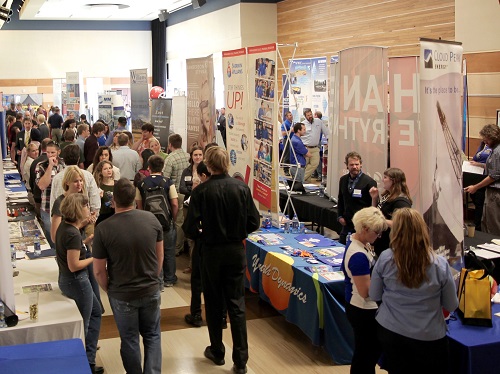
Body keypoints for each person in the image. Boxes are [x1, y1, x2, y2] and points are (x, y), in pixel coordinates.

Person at [183, 146, 260, 374]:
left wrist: (203, 233)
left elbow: (188, 228)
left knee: (214, 303)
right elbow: (254, 222)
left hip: (212, 252)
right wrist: (238, 232)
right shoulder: (242, 188)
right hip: (236, 251)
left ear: (208, 164)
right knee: (237, 305)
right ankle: (241, 361)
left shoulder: (201, 192)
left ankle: (217, 351)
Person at [369, 208, 458, 373]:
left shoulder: (385, 258)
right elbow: (451, 304)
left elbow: (374, 294)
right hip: (429, 335)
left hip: (391, 332)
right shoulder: (439, 264)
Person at [93, 178, 164, 374]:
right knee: (152, 335)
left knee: (130, 338)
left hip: (122, 294)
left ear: (113, 200)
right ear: (134, 198)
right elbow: (160, 256)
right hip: (150, 288)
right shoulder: (152, 220)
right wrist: (153, 278)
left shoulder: (103, 229)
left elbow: (99, 270)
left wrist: (110, 288)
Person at [55, 193, 102, 374]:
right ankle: (86, 362)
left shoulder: (65, 228)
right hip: (77, 281)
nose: (87, 209)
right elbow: (74, 265)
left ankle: (88, 356)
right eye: (85, 206)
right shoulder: (72, 233)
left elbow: (72, 250)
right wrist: (96, 259)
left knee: (96, 313)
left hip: (68, 280)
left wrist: (86, 242)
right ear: (77, 209)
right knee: (86, 322)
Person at [341, 206, 387, 374]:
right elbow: (366, 292)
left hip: (361, 308)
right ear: (365, 229)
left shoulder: (358, 242)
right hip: (362, 310)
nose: (379, 236)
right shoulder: (358, 255)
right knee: (365, 355)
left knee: (366, 355)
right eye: (377, 232)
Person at [137, 155, 179, 287]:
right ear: (162, 167)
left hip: (149, 224)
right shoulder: (168, 182)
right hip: (167, 223)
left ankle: (157, 279)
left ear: (149, 167)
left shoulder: (142, 184)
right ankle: (170, 279)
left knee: (153, 252)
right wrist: (172, 218)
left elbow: (139, 205)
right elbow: (175, 204)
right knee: (169, 251)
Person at [465, 124, 500, 235]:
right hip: (493, 192)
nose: (484, 141)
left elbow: (494, 176)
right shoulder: (495, 150)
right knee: (486, 221)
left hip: (495, 193)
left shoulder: (497, 152)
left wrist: (475, 187)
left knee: (492, 225)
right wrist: (480, 165)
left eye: (486, 139)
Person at [369, 168, 412, 256]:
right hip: (381, 243)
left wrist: (381, 220)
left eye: (385, 177)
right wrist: (374, 199)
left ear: (393, 181)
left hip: (391, 245)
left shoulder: (401, 201)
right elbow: (375, 213)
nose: (382, 180)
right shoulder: (387, 196)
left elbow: (401, 224)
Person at [337, 152, 377, 245]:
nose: (354, 167)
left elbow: (373, 205)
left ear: (361, 164)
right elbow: (340, 199)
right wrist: (339, 216)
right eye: (351, 165)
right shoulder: (343, 180)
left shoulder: (369, 182)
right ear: (347, 165)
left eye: (357, 164)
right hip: (346, 224)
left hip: (361, 226)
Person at [162, 134, 189, 256]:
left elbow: (165, 179)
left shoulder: (170, 158)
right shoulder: (188, 156)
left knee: (178, 221)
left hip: (176, 194)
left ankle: (177, 248)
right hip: (188, 194)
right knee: (185, 220)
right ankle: (184, 245)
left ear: (170, 145)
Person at [36, 141, 66, 249]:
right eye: (48, 152)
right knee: (52, 240)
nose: (50, 155)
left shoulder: (65, 165)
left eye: (52, 152)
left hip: (64, 208)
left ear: (58, 152)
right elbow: (42, 185)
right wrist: (50, 166)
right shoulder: (41, 166)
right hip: (48, 207)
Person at [179, 145, 204, 273]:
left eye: (200, 155)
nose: (198, 157)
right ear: (191, 157)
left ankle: (200, 266)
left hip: (202, 207)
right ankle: (191, 264)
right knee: (190, 236)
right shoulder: (187, 171)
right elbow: (181, 188)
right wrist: (192, 190)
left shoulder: (206, 170)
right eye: (195, 155)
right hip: (188, 206)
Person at [467, 141, 492, 231]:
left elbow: (492, 166)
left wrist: (480, 164)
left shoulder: (494, 148)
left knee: (479, 199)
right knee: (473, 196)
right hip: (476, 175)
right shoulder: (482, 145)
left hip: (486, 176)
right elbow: (475, 157)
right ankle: (477, 222)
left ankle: (478, 224)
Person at [301, 109, 329, 182]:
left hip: (315, 148)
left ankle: (300, 179)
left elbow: (326, 131)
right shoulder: (302, 124)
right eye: (308, 115)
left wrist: (328, 140)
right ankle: (306, 183)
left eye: (311, 114)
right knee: (305, 166)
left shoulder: (318, 122)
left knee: (315, 164)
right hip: (305, 148)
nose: (310, 116)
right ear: (305, 116)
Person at [93, 160, 116, 225]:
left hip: (115, 216)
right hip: (102, 217)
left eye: (110, 168)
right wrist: (98, 197)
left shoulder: (117, 184)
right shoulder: (97, 186)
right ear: (100, 172)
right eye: (105, 169)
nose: (108, 170)